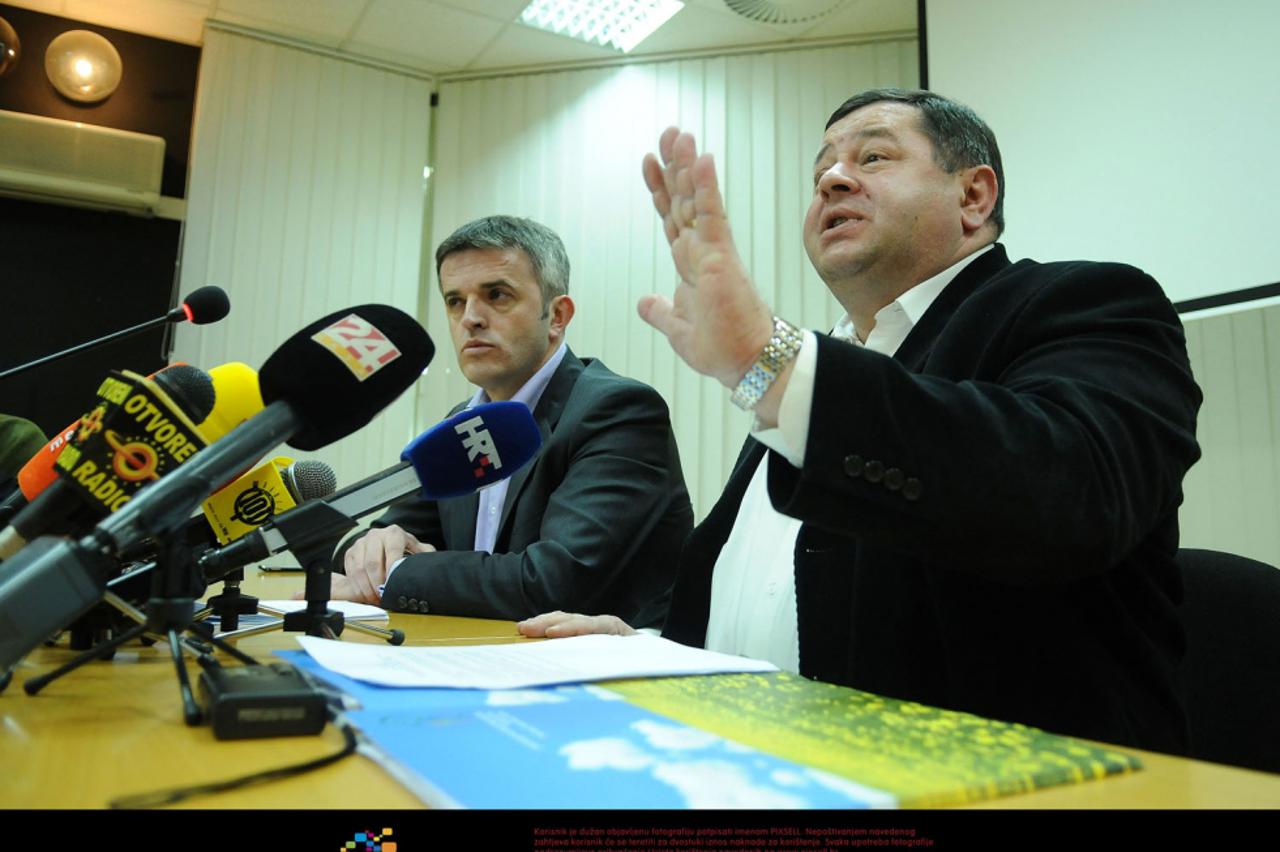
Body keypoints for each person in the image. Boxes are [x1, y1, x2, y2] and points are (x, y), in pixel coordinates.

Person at [520, 89, 1202, 753]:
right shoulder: (814, 365)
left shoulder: (1086, 302)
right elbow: (750, 587)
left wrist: (772, 363)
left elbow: (1070, 493)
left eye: (872, 157)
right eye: (821, 171)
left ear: (973, 196)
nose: (832, 180)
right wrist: (650, 649)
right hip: (750, 764)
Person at [326, 215, 692, 628]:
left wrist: (398, 572)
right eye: (454, 301)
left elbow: (551, 582)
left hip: (598, 661)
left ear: (557, 316)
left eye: (496, 295)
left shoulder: (618, 411)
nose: (470, 318)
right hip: (476, 651)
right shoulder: (462, 424)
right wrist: (374, 549)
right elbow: (365, 549)